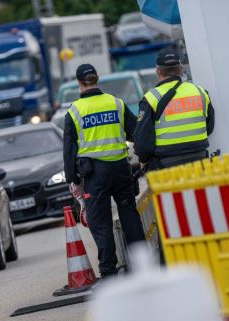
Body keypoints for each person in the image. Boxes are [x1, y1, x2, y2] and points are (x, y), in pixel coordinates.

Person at [63, 64, 145, 279]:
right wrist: (144, 157)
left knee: (101, 223)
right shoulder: (116, 103)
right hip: (120, 169)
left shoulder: (74, 111)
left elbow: (69, 148)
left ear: (79, 83)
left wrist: (72, 179)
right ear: (97, 79)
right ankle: (142, 264)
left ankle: (109, 271)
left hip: (94, 173)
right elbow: (135, 132)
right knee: (129, 214)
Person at [133, 48, 215, 170]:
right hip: (200, 160)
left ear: (158, 71)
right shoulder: (200, 92)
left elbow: (142, 141)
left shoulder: (151, 98)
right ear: (180, 68)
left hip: (167, 165)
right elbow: (209, 126)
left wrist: (143, 159)